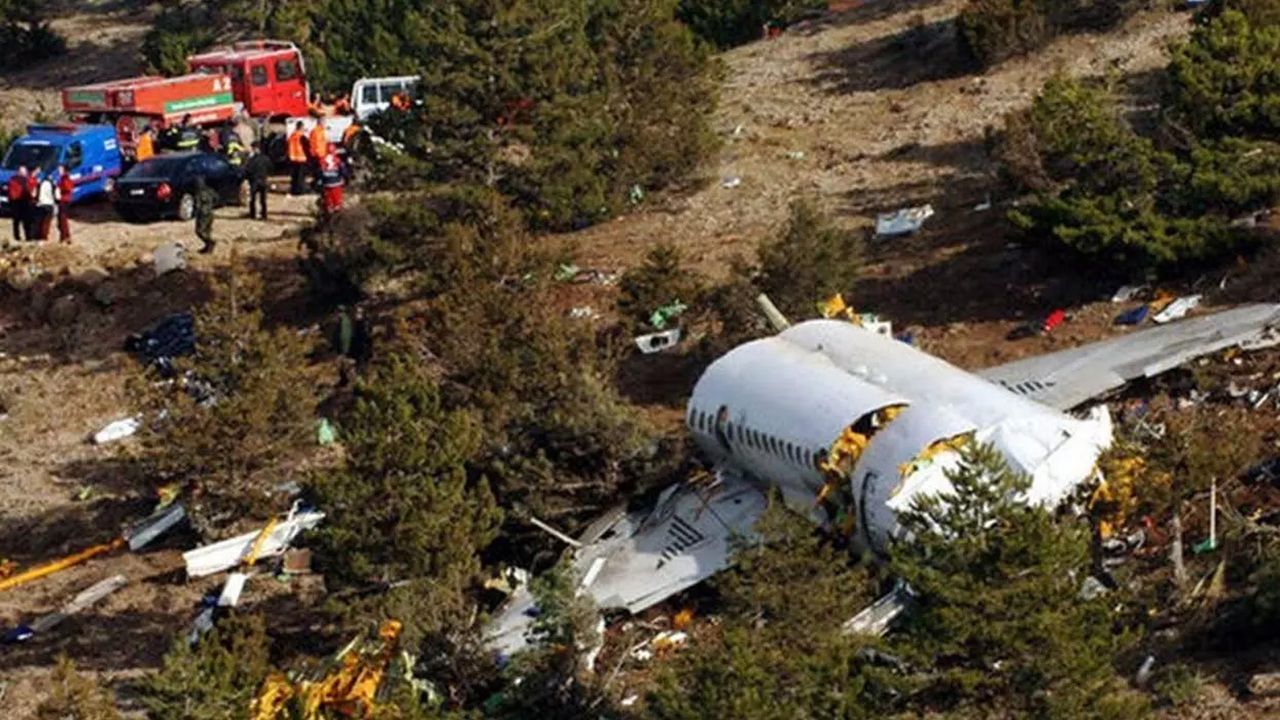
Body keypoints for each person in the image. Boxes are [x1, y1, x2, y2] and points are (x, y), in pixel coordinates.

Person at [244, 140, 272, 220]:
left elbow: (247, 170)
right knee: (263, 200)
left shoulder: (251, 160)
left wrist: (247, 178)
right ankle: (264, 215)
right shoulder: (266, 158)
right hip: (263, 180)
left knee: (253, 199)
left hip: (254, 181)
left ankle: (253, 214)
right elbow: (270, 168)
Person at [193, 175, 218, 253]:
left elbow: (197, 205)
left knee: (199, 231)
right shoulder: (210, 191)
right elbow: (216, 199)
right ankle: (208, 248)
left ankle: (210, 242)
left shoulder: (199, 193)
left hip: (203, 214)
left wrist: (196, 213)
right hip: (210, 212)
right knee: (207, 231)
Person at [318, 142, 344, 216]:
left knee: (328, 197)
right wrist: (343, 177)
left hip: (327, 182)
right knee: (337, 197)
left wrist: (320, 180)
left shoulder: (322, 160)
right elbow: (342, 170)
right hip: (336, 182)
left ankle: (330, 208)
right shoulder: (337, 160)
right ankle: (337, 208)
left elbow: (320, 172)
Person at [7, 166, 29, 242]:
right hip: (20, 201)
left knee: (18, 220)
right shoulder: (20, 180)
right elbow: (25, 191)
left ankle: (18, 236)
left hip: (18, 201)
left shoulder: (13, 179)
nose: (26, 173)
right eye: (25, 172)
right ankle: (23, 236)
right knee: (23, 220)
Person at [287, 121, 308, 195]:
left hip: (293, 158)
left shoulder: (292, 136)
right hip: (301, 158)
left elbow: (289, 146)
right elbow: (306, 147)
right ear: (301, 127)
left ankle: (294, 190)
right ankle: (300, 190)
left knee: (294, 176)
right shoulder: (301, 136)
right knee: (300, 176)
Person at [34, 171, 56, 240]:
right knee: (46, 222)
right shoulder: (53, 185)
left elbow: (35, 194)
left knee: (39, 221)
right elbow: (56, 195)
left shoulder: (40, 184)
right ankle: (44, 236)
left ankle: (38, 236)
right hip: (49, 204)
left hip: (41, 204)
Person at [56, 165, 74, 244]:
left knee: (63, 219)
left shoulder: (65, 178)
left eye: (60, 170)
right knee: (61, 219)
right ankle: (64, 236)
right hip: (63, 199)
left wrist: (59, 189)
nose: (58, 171)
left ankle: (65, 237)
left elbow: (68, 188)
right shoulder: (63, 178)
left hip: (64, 200)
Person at [308, 120, 328, 189]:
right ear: (321, 123)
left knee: (317, 171)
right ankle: (318, 186)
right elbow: (317, 144)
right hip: (320, 154)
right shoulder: (319, 131)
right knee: (320, 171)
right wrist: (319, 154)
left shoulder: (316, 131)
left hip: (318, 154)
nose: (325, 124)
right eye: (324, 122)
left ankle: (316, 185)